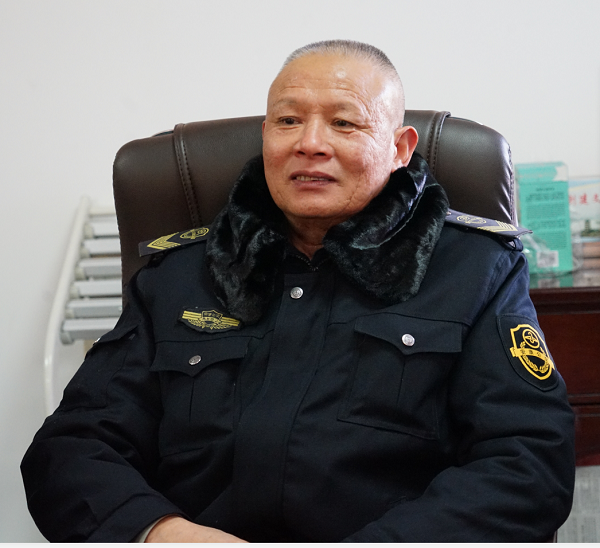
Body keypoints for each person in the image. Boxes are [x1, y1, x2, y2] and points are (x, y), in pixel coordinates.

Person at [22, 40, 575, 542]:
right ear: (266, 135)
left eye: (344, 123)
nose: (310, 144)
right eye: (288, 121)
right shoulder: (179, 274)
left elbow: (528, 460)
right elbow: (72, 447)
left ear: (400, 148)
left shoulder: (474, 270)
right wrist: (159, 532)